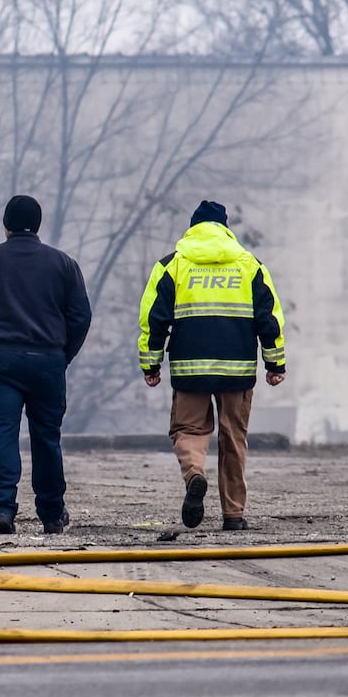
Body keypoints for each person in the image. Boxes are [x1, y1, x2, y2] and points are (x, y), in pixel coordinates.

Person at [139, 200, 286, 531]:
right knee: (234, 438)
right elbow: (270, 318)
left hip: (191, 369)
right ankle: (233, 515)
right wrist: (275, 362)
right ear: (226, 228)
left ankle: (194, 474)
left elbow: (153, 319)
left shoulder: (171, 266)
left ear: (192, 228)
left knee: (188, 430)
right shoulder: (251, 266)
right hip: (237, 370)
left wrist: (151, 364)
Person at [0, 195, 91, 535]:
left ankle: (3, 509)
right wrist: (64, 355)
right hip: (47, 362)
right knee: (47, 438)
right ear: (39, 225)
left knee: (2, 433)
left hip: (1, 361)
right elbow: (81, 317)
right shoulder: (63, 264)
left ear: (6, 226)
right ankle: (51, 513)